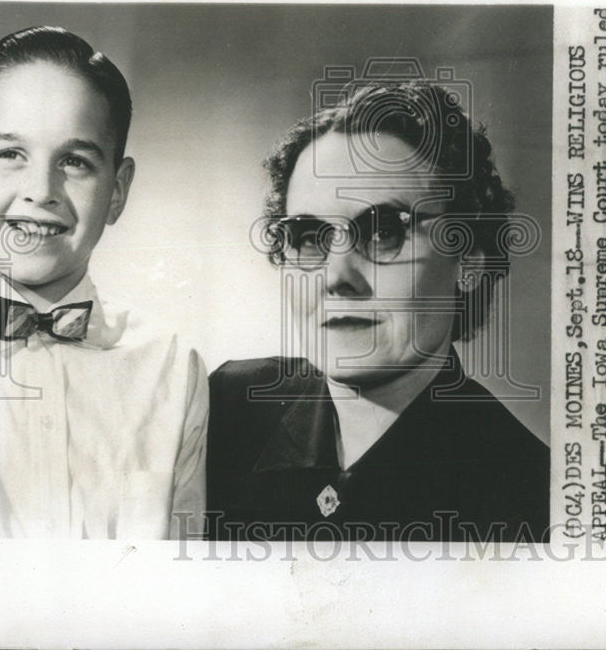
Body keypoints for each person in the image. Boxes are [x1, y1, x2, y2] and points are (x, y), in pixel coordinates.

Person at [207, 79, 549, 543]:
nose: (336, 276)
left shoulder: (532, 499)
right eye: (309, 237)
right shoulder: (223, 412)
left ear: (467, 260)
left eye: (384, 231)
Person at [0, 26, 208, 539]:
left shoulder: (171, 365)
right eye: (10, 154)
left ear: (117, 192)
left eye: (74, 162)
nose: (41, 191)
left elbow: (177, 586)